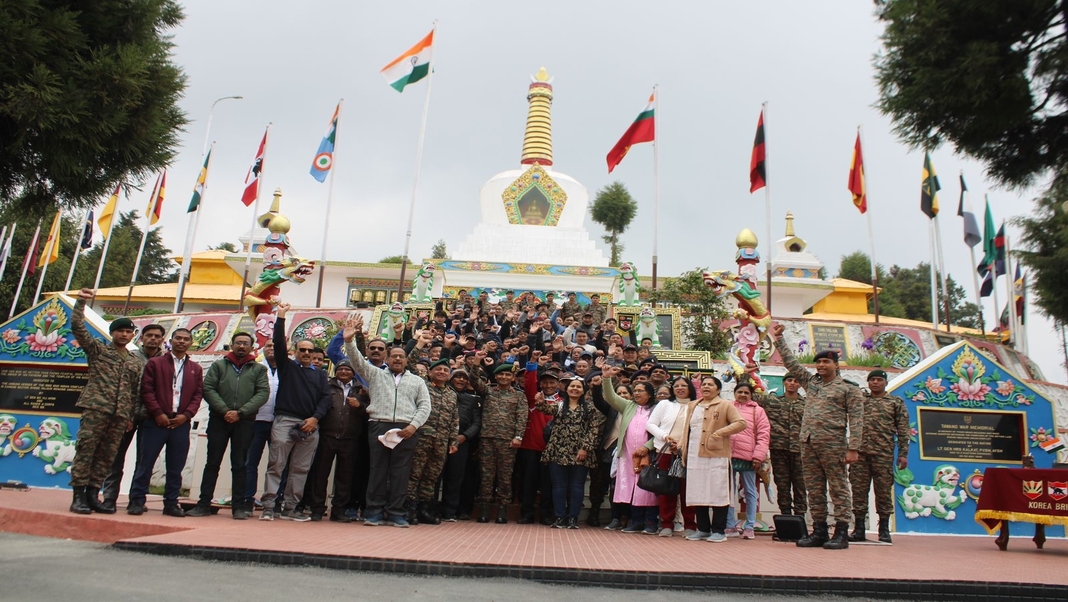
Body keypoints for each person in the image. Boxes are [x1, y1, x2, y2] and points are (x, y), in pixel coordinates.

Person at [772, 322, 865, 550]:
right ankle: (820, 531)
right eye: (819, 362)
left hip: (833, 445)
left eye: (826, 362)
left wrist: (853, 448)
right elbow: (791, 364)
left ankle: (841, 531)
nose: (821, 365)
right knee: (814, 489)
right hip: (808, 442)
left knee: (838, 487)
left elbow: (857, 419)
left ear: (836, 365)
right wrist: (779, 340)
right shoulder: (810, 382)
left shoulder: (848, 389)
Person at [343, 317, 431, 528]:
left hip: (406, 430)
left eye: (401, 357)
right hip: (379, 425)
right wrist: (349, 341)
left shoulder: (417, 381)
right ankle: (373, 511)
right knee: (378, 470)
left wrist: (413, 426)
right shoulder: (375, 374)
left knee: (401, 473)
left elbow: (425, 406)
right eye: (394, 356)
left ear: (406, 360)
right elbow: (357, 362)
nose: (398, 359)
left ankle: (395, 512)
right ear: (387, 358)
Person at [68, 289, 145, 515]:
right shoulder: (98, 350)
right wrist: (81, 302)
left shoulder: (134, 361)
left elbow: (134, 391)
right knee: (86, 451)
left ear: (133, 336)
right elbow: (78, 328)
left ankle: (93, 495)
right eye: (120, 331)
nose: (124, 335)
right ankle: (78, 496)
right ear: (112, 333)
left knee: (106, 456)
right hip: (97, 409)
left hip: (120, 415)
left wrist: (130, 416)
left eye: (128, 332)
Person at [259, 303, 332, 522]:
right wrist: (281, 317)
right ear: (295, 352)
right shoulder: (287, 367)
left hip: (310, 425)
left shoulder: (320, 375)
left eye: (311, 351)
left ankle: (290, 508)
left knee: (300, 469)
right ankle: (269, 507)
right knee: (276, 465)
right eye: (303, 350)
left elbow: (326, 398)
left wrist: (315, 418)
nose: (307, 353)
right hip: (285, 420)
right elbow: (279, 344)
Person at [187, 331, 270, 519]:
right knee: (212, 463)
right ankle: (203, 503)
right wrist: (225, 411)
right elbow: (208, 388)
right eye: (238, 343)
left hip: (245, 422)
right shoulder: (219, 366)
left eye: (245, 343)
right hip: (219, 419)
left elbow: (263, 393)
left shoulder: (258, 370)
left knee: (240, 465)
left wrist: (240, 412)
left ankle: (239, 507)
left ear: (252, 347)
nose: (241, 346)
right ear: (232, 345)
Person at [128, 328, 204, 517]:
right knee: (146, 463)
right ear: (170, 341)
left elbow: (197, 394)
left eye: (186, 339)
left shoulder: (195, 368)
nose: (182, 342)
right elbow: (147, 390)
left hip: (180, 423)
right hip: (156, 421)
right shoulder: (156, 363)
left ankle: (171, 503)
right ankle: (137, 501)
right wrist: (157, 413)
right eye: (178, 338)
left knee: (176, 466)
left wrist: (186, 415)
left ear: (190, 343)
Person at [99, 323, 165, 512]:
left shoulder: (166, 361)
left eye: (157, 336)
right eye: (149, 335)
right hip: (125, 414)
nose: (153, 339)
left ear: (162, 339)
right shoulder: (130, 357)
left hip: (152, 416)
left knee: (144, 461)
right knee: (115, 458)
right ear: (141, 338)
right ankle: (109, 498)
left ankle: (137, 500)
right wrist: (126, 413)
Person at [680, 376, 747, 542]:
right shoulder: (693, 405)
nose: (706, 387)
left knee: (718, 492)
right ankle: (702, 529)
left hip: (717, 456)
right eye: (703, 384)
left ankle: (719, 530)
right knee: (698, 492)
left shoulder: (725, 405)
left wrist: (719, 433)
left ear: (718, 389)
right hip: (695, 455)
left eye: (710, 384)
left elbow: (741, 423)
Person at [849, 369, 909, 544]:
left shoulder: (894, 403)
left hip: (883, 454)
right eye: (872, 380)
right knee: (858, 491)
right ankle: (859, 528)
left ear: (885, 382)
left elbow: (904, 430)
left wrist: (903, 454)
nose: (875, 383)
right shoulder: (860, 400)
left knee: (883, 492)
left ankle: (884, 529)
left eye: (878, 380)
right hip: (860, 454)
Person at [537, 376, 605, 528]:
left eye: (578, 387)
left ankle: (573, 517)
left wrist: (585, 448)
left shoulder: (590, 408)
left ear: (583, 391)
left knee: (577, 486)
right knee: (558, 485)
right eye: (572, 386)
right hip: (558, 450)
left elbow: (594, 430)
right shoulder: (559, 405)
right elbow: (544, 408)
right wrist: (540, 401)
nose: (575, 389)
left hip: (580, 452)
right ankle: (560, 517)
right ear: (566, 390)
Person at [306, 359, 368, 522]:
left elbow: (369, 413)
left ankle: (339, 510)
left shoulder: (361, 390)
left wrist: (360, 405)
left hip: (350, 438)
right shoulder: (326, 386)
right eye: (341, 369)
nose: (344, 372)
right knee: (320, 474)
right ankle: (317, 508)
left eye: (348, 369)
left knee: (345, 476)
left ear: (353, 373)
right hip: (327, 435)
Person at [600, 366, 659, 534]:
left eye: (641, 390)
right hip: (627, 456)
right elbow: (610, 397)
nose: (637, 393)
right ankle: (636, 521)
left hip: (647, 455)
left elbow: (662, 431)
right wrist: (606, 378)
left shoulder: (657, 408)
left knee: (647, 489)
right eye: (636, 390)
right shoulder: (628, 406)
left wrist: (647, 447)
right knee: (631, 489)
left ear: (649, 393)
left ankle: (650, 522)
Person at [405, 351, 459, 526]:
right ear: (429, 372)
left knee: (431, 477)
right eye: (438, 369)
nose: (442, 372)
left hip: (441, 442)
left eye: (446, 370)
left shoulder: (452, 394)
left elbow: (454, 419)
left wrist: (453, 440)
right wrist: (418, 344)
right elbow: (410, 363)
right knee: (414, 474)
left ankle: (424, 509)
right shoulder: (422, 385)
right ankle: (409, 509)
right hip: (421, 437)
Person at [645, 376, 698, 537]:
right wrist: (664, 436)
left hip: (687, 454)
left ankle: (689, 524)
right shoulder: (665, 404)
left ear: (690, 388)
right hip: (666, 451)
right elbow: (651, 424)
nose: (680, 388)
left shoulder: (697, 405)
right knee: (667, 489)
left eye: (684, 385)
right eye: (676, 386)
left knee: (687, 490)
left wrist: (681, 446)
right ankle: (666, 524)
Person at [476, 363, 527, 523]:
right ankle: (484, 507)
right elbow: (473, 380)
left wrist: (518, 436)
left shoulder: (519, 396)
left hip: (507, 441)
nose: (504, 377)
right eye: (501, 375)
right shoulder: (488, 391)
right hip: (487, 438)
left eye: (508, 375)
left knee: (505, 476)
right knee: (486, 475)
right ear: (496, 376)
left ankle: (502, 509)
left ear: (513, 378)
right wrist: (477, 362)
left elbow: (522, 417)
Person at [724, 382, 770, 540]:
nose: (743, 395)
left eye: (746, 392)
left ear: (751, 395)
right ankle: (729, 525)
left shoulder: (758, 411)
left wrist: (758, 456)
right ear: (734, 393)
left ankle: (750, 526)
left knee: (750, 492)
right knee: (727, 493)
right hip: (728, 456)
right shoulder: (727, 407)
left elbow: (763, 435)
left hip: (749, 457)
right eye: (740, 392)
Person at [756, 374, 807, 517]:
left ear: (800, 385)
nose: (792, 383)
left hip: (800, 451)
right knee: (782, 486)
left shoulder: (807, 404)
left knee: (800, 486)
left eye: (796, 381)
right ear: (784, 383)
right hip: (779, 449)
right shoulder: (772, 401)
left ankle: (800, 518)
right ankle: (785, 517)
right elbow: (749, 394)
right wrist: (744, 374)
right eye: (789, 380)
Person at [517, 352, 558, 524]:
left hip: (551, 450)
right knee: (529, 484)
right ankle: (527, 514)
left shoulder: (562, 401)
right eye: (545, 382)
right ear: (541, 384)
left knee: (548, 485)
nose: (548, 385)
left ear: (557, 384)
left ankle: (546, 515)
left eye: (552, 382)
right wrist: (533, 362)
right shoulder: (534, 399)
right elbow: (529, 381)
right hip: (531, 448)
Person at [441, 368, 484, 521]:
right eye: (457, 376)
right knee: (434, 476)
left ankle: (450, 511)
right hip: (439, 439)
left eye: (464, 378)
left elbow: (477, 422)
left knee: (455, 477)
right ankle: (430, 509)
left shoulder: (471, 399)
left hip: (460, 442)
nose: (461, 380)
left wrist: (465, 436)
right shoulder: (442, 394)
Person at [244, 339, 278, 509]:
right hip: (255, 421)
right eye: (269, 346)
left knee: (277, 465)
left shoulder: (289, 369)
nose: (272, 348)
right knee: (250, 463)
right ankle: (247, 499)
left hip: (278, 423)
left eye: (275, 345)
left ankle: (273, 502)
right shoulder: (254, 367)